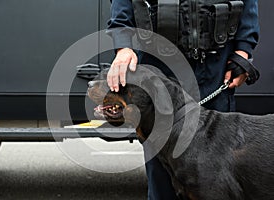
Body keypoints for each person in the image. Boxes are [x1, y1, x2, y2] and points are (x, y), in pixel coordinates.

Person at [106, 0, 259, 199]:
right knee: (162, 180)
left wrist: (243, 49)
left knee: (216, 182)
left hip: (215, 70)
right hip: (161, 71)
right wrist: (123, 46)